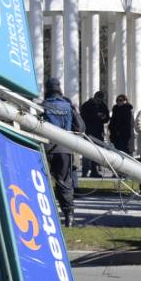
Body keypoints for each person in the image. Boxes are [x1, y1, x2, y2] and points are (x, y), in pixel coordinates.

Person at [40, 77, 84, 227]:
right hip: (65, 148)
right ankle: (68, 215)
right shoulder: (68, 106)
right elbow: (80, 128)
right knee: (65, 183)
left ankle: (46, 214)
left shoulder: (42, 106)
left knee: (43, 182)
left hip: (46, 148)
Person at [79, 91, 110, 176]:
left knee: (97, 152)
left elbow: (107, 118)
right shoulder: (86, 105)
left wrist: (104, 117)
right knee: (87, 152)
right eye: (98, 99)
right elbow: (83, 117)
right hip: (88, 131)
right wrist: (96, 116)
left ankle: (94, 170)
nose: (100, 101)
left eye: (101, 99)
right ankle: (85, 172)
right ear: (95, 97)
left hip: (98, 132)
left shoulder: (102, 105)